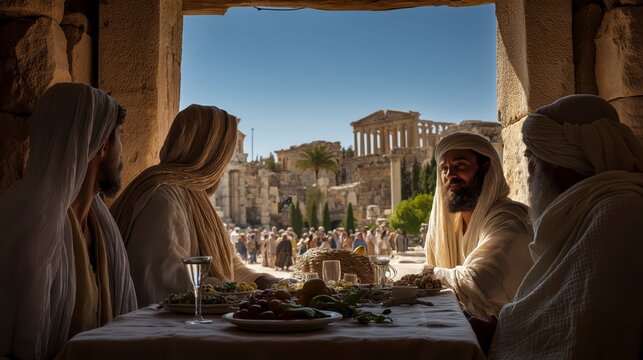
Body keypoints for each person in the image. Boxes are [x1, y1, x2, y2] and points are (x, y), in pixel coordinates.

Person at [489, 95, 643, 359]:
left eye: (531, 157)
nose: (528, 173)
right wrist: (500, 329)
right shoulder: (593, 207)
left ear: (555, 161)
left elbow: (581, 334)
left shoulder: (618, 213)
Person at [0, 83, 137, 359]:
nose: (123, 151)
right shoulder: (27, 228)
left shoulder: (101, 226)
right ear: (102, 145)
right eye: (120, 137)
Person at [110, 105, 278, 308]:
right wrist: (241, 294)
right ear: (208, 152)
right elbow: (166, 280)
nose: (223, 166)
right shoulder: (162, 197)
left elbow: (223, 262)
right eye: (222, 154)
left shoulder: (192, 194)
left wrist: (260, 280)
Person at [424, 132, 533, 321]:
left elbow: (481, 282)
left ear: (485, 168)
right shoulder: (447, 228)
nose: (450, 175)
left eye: (460, 166)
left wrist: (429, 275)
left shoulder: (510, 218)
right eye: (444, 168)